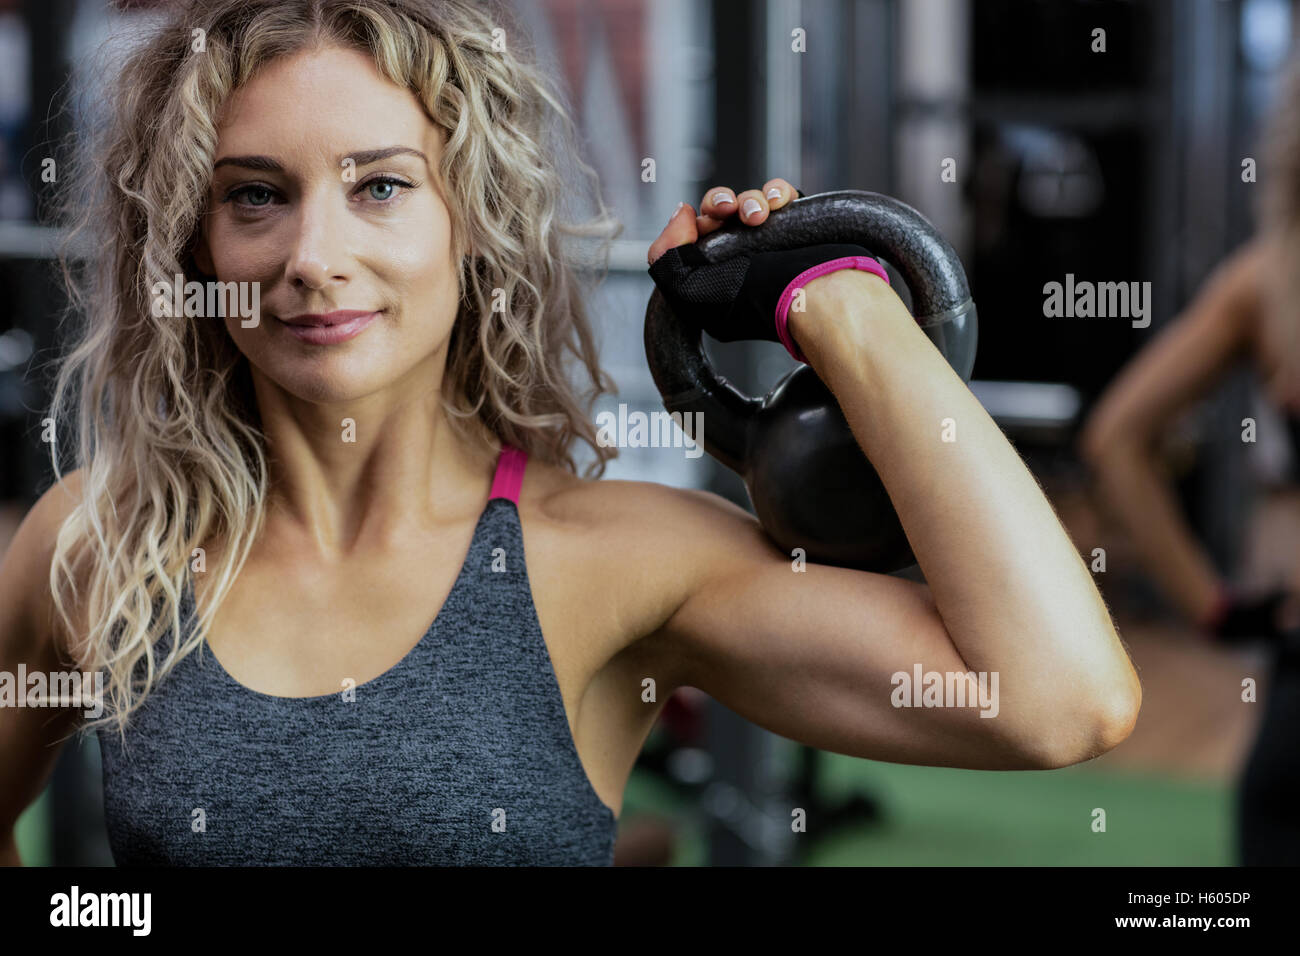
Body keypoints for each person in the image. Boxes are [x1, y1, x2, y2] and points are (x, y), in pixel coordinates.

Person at [0, 0, 1139, 867]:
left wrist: (842, 299)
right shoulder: (102, 541)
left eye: (381, 188)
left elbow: (1057, 699)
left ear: (474, 223)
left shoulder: (613, 558)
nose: (311, 255)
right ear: (196, 248)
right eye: (255, 194)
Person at [1078, 49, 1300, 867]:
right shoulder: (1268, 284)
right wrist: (1217, 605)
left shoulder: (1271, 283)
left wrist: (1215, 610)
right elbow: (1117, 441)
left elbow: (1115, 439)